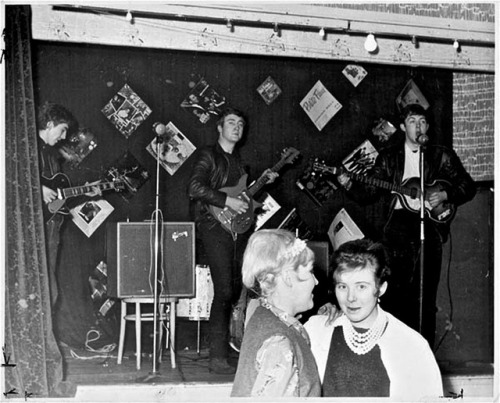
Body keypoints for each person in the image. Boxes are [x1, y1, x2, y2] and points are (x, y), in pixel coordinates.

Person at [337, 103, 476, 347]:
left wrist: (445, 194)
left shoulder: (441, 155)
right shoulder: (389, 157)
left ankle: (424, 352)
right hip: (398, 228)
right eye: (412, 121)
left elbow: (467, 186)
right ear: (403, 127)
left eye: (422, 121)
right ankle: (395, 350)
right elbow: (370, 190)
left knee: (426, 298)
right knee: (395, 293)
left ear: (428, 126)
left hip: (430, 227)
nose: (418, 126)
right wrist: (348, 184)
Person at [187, 107, 278, 374]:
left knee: (234, 290)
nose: (236, 127)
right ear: (219, 127)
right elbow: (195, 188)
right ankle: (217, 356)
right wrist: (227, 200)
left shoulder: (239, 163)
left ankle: (223, 352)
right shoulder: (208, 155)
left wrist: (264, 184)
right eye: (230, 122)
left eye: (240, 123)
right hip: (213, 227)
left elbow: (243, 199)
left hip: (236, 231)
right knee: (224, 291)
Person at [305, 239, 443, 399]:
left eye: (361, 286)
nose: (350, 298)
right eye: (342, 286)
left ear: (381, 288)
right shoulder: (316, 331)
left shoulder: (411, 345)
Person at [231, 229, 321, 397]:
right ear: (287, 277)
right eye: (310, 271)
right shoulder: (279, 342)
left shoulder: (261, 315)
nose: (316, 281)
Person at [38, 102, 100, 308]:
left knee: (50, 290)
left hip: (52, 229)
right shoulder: (26, 149)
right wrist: (37, 187)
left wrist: (85, 191)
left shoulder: (52, 156)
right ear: (49, 124)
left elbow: (57, 199)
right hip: (37, 229)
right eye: (62, 129)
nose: (64, 136)